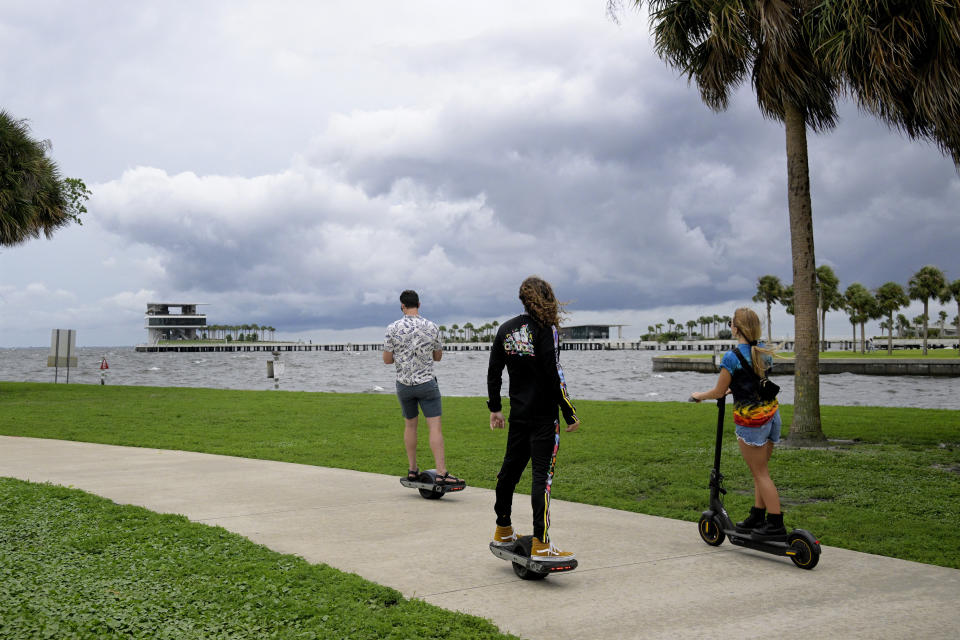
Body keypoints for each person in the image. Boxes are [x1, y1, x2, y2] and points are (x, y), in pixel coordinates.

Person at [487, 276, 580, 561]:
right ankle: (541, 542)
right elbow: (554, 373)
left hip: (518, 416)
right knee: (542, 479)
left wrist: (495, 408)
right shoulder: (546, 329)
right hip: (543, 418)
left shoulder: (506, 329)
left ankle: (503, 528)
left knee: (509, 474)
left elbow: (494, 372)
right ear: (547, 299)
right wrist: (569, 411)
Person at [689, 307, 785, 539]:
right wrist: (737, 388)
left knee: (760, 473)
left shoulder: (732, 357)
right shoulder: (761, 350)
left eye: (731, 323)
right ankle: (758, 515)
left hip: (752, 422)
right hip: (771, 416)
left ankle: (775, 524)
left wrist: (698, 395)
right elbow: (753, 381)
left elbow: (718, 391)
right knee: (760, 471)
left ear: (737, 328)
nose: (730, 326)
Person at [383, 290, 461, 485]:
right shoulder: (432, 326)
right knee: (434, 426)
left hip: (404, 384)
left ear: (402, 305)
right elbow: (438, 357)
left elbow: (387, 360)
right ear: (419, 304)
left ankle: (412, 469)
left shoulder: (392, 328)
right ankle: (441, 472)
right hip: (426, 383)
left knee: (410, 425)